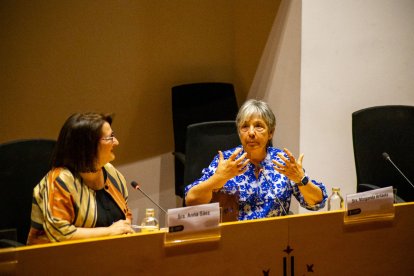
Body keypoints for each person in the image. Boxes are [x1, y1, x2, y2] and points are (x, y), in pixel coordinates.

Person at [185, 99, 327, 220]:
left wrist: (301, 179)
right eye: (245, 127)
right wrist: (218, 179)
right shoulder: (226, 162)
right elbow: (191, 201)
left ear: (271, 132)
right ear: (239, 132)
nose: (251, 133)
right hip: (234, 240)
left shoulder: (282, 161)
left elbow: (316, 203)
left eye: (258, 126)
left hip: (276, 239)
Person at [27, 112, 134, 245]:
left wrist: (125, 227)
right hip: (56, 260)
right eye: (110, 138)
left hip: (104, 256)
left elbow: (125, 216)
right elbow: (61, 234)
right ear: (87, 146)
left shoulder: (112, 173)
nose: (116, 142)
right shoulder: (60, 181)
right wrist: (109, 232)